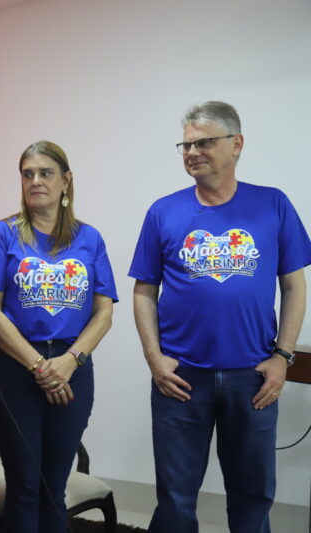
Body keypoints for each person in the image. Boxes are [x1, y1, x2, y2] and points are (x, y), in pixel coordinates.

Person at [129, 101, 311, 533]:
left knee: (253, 495)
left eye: (204, 142)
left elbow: (294, 286)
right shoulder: (163, 211)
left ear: (237, 144)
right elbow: (143, 292)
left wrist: (282, 357)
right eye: (186, 145)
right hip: (181, 378)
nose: (192, 152)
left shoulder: (272, 204)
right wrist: (154, 358)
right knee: (175, 497)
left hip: (253, 377)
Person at [0, 140, 117, 532]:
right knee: (24, 486)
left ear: (66, 181)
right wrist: (39, 366)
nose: (35, 181)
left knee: (55, 487)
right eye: (28, 174)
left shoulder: (90, 239)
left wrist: (69, 362)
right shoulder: (2, 235)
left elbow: (104, 313)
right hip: (14, 370)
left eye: (45, 173)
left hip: (73, 368)